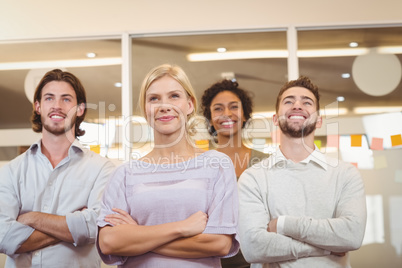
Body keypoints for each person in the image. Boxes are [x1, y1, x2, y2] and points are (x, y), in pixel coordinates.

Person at [96, 64, 240, 267]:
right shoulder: (125, 174)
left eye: (174, 96)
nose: (164, 106)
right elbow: (108, 242)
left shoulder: (217, 165)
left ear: (190, 105)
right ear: (146, 109)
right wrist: (181, 228)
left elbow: (220, 243)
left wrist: (137, 235)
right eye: (154, 98)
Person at [238, 76, 367, 267]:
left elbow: (352, 235)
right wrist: (326, 247)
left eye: (307, 102)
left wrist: (282, 224)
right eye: (288, 101)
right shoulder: (253, 178)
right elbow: (253, 247)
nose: (297, 106)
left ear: (319, 120)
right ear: (275, 119)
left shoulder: (345, 174)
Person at [0, 69, 115, 267]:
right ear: (38, 106)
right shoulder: (12, 171)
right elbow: (4, 238)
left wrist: (32, 218)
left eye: (66, 99)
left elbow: (95, 228)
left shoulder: (102, 169)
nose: (57, 106)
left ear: (80, 109)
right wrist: (72, 228)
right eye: (49, 98)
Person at [201, 79, 269, 268]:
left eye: (234, 107)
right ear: (210, 118)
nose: (227, 114)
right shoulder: (199, 164)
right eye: (218, 109)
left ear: (245, 115)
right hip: (211, 260)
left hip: (256, 261)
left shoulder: (266, 163)